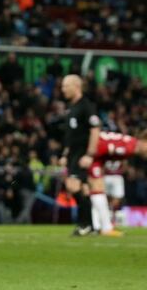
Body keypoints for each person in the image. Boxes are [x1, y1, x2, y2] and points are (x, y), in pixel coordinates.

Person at [88, 129, 147, 236]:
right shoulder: (128, 148)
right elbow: (102, 146)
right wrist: (87, 156)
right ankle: (104, 228)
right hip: (89, 152)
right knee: (96, 189)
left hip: (94, 155)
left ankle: (97, 226)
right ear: (144, 141)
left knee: (94, 190)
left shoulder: (130, 146)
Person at [59, 74, 100, 236]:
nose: (63, 89)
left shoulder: (86, 106)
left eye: (66, 86)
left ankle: (85, 224)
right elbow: (70, 136)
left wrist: (90, 154)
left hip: (82, 154)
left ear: (76, 87)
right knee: (82, 190)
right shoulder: (71, 108)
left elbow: (95, 130)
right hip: (72, 154)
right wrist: (65, 154)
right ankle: (89, 226)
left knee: (72, 186)